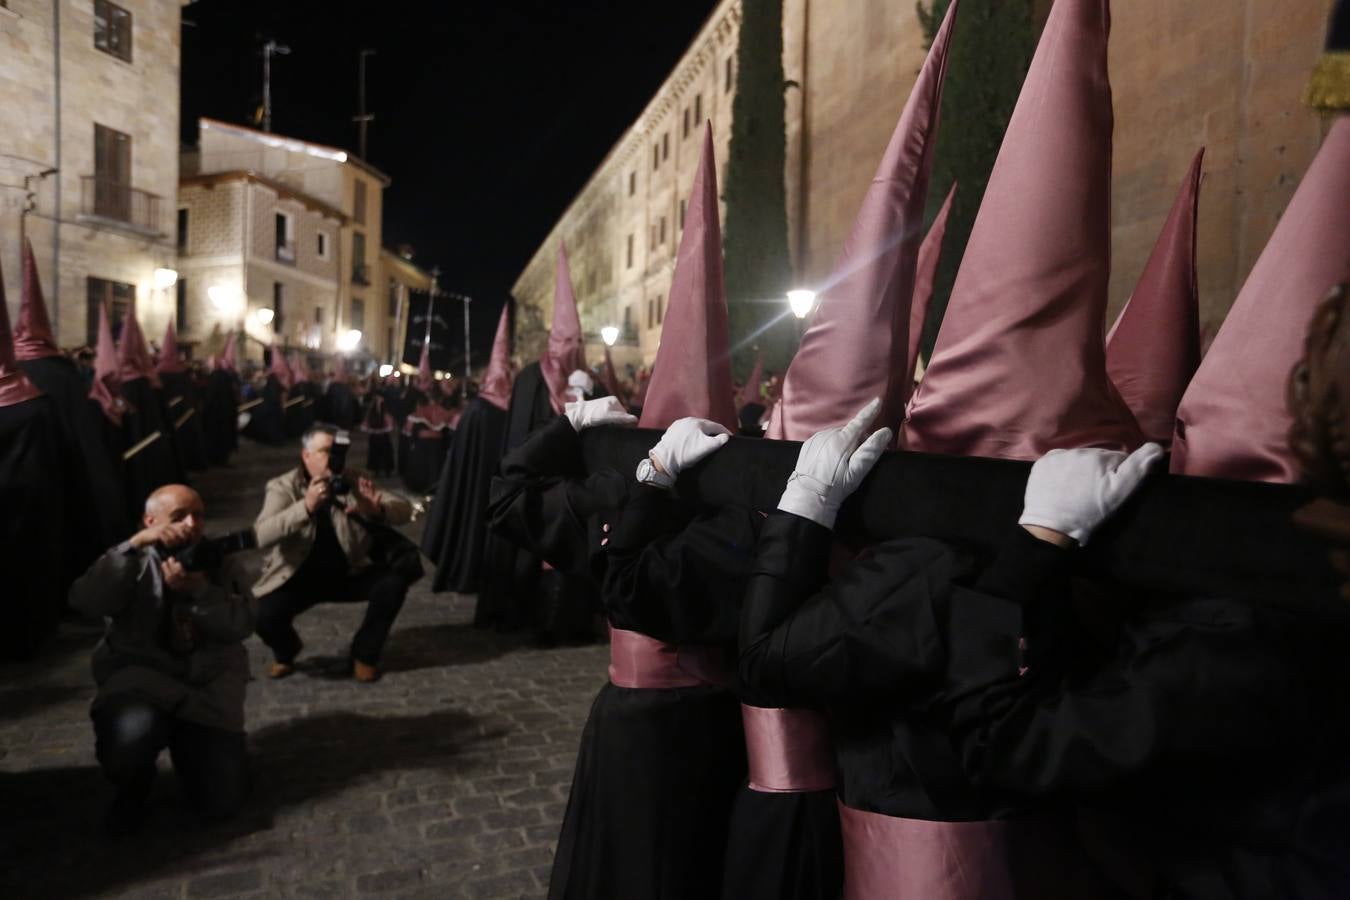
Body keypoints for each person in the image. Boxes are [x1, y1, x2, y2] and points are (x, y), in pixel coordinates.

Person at [489, 397, 757, 899]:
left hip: (655, 721)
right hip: (703, 719)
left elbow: (509, 494)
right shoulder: (744, 511)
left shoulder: (617, 491)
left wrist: (570, 428)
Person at [68, 484, 255, 834]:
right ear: (150, 520)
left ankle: (194, 749)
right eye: (179, 516)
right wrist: (132, 547)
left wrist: (200, 593)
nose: (191, 524)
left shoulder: (219, 561)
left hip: (204, 688)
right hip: (144, 679)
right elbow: (86, 602)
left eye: (198, 514)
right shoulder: (131, 559)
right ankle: (133, 783)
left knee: (223, 802)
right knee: (128, 744)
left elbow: (242, 625)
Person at [253, 424, 414, 683]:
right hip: (298, 576)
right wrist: (305, 507)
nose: (334, 459)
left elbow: (403, 509)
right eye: (326, 451)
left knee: (393, 583)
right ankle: (286, 651)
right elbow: (261, 534)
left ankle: (364, 655)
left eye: (338, 452)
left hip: (347, 572)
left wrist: (375, 509)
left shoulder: (353, 479)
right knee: (262, 615)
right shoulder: (283, 486)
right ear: (306, 455)